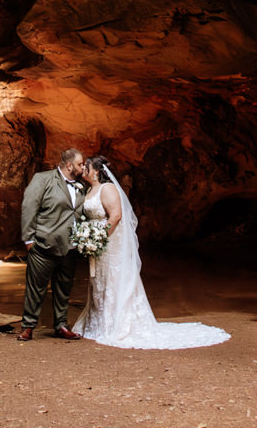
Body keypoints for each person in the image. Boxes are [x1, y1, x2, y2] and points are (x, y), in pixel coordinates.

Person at [72, 155, 230, 349]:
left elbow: (116, 215)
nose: (83, 170)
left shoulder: (108, 189)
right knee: (99, 280)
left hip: (109, 243)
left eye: (86, 167)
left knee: (113, 279)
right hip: (98, 245)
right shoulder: (89, 190)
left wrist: (99, 238)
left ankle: (117, 325)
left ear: (96, 171)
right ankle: (99, 322)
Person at [17, 147, 87, 341]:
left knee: (64, 288)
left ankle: (61, 325)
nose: (83, 167)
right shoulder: (43, 179)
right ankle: (28, 326)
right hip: (43, 244)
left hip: (71, 247)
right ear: (69, 165)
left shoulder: (82, 186)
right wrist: (29, 239)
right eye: (80, 164)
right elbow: (29, 206)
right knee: (35, 287)